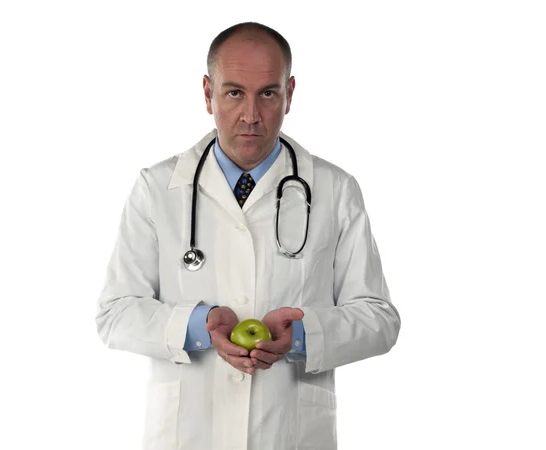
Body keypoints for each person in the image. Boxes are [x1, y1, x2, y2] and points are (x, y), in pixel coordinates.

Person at [95, 21, 401, 450]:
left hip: (288, 433)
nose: (251, 115)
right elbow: (115, 314)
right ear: (208, 93)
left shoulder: (334, 189)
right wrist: (198, 324)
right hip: (189, 434)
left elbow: (379, 319)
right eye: (234, 92)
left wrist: (302, 335)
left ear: (290, 93)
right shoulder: (157, 188)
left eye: (268, 93)